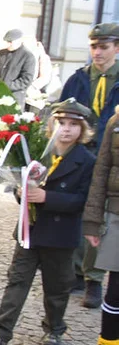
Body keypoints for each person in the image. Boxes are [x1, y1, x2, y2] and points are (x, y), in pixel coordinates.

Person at [0, 99, 95, 345]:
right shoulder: (39, 151)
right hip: (31, 230)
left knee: (56, 288)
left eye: (74, 124)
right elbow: (22, 184)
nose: (66, 129)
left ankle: (54, 329)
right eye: (61, 122)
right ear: (52, 124)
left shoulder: (87, 160)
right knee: (17, 281)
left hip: (60, 236)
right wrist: (22, 192)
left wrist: (47, 197)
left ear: (83, 130)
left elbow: (83, 201)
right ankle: (0, 332)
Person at [59, 22, 119, 309]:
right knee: (77, 207)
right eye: (94, 46)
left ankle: (94, 279)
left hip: (111, 156)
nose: (97, 52)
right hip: (80, 153)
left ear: (116, 48)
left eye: (104, 46)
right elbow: (59, 114)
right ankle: (76, 271)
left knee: (102, 217)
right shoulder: (78, 79)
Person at [79, 95, 119, 345]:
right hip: (117, 215)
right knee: (115, 294)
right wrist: (93, 220)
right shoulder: (116, 122)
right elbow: (101, 171)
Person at [0, 28, 36, 110]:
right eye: (7, 42)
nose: (8, 44)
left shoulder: (27, 56)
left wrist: (6, 86)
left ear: (19, 41)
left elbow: (26, 80)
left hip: (15, 97)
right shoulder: (1, 53)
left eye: (11, 42)